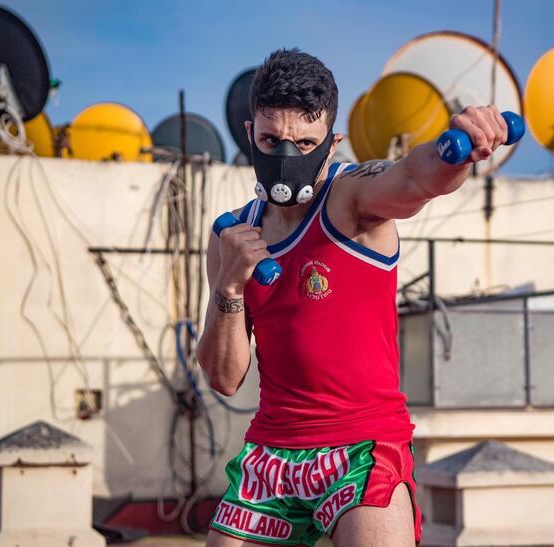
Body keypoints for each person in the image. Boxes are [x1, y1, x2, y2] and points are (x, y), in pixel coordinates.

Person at [198, 49, 508, 547]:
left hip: (362, 447)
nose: (286, 155)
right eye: (271, 140)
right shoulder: (233, 237)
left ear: (333, 142)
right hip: (273, 451)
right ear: (249, 133)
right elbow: (223, 378)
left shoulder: (351, 200)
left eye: (305, 142)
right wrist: (229, 286)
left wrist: (465, 145)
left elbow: (413, 177)